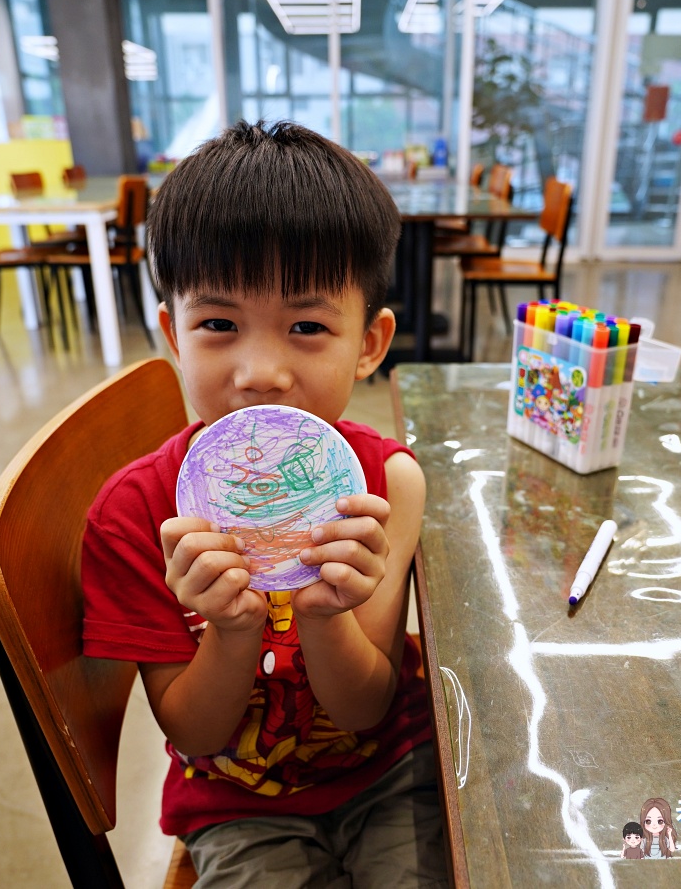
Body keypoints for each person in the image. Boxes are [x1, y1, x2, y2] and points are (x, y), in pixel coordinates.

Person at [80, 121, 447, 888]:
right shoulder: (135, 515)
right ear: (173, 336)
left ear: (371, 344)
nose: (260, 373)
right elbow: (197, 734)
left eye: (307, 327)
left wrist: (324, 614)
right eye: (218, 325)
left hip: (387, 772)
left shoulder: (387, 485)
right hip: (232, 799)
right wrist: (231, 626)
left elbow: (365, 710)